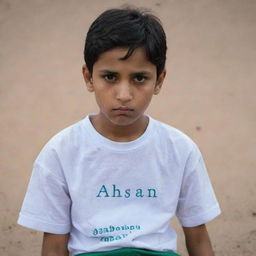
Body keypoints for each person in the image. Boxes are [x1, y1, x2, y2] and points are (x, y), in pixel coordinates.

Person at [17, 7, 221, 256]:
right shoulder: (61, 152)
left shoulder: (179, 149)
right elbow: (54, 246)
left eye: (139, 78)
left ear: (159, 81)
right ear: (88, 77)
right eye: (110, 77)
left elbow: (198, 239)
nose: (124, 95)